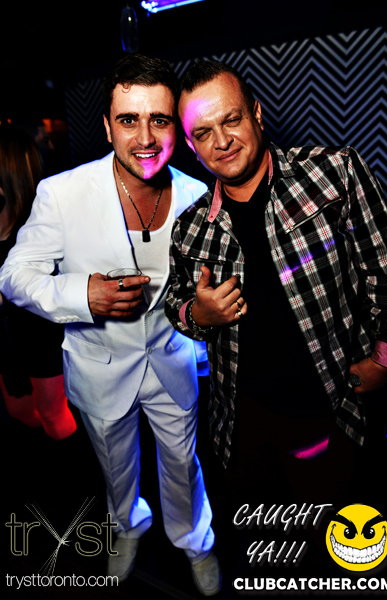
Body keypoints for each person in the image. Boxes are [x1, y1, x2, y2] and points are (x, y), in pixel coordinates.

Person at [0, 54, 221, 596]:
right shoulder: (62, 193)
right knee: (116, 468)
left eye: (159, 120)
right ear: (106, 126)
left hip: (172, 361)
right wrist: (82, 294)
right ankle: (128, 526)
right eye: (128, 120)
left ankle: (195, 541)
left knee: (182, 463)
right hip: (99, 367)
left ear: (177, 127)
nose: (145, 138)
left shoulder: (198, 197)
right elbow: (14, 274)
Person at [165, 59, 387, 508]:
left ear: (256, 113)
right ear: (191, 147)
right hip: (242, 426)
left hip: (332, 411)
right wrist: (198, 314)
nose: (221, 141)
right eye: (203, 133)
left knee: (335, 534)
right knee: (267, 536)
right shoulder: (191, 228)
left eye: (231, 119)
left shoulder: (333, 173)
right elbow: (175, 304)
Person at [0, 126, 76, 440]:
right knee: (18, 409)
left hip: (39, 337)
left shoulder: (37, 229)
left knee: (52, 413)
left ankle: (74, 463)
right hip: (7, 341)